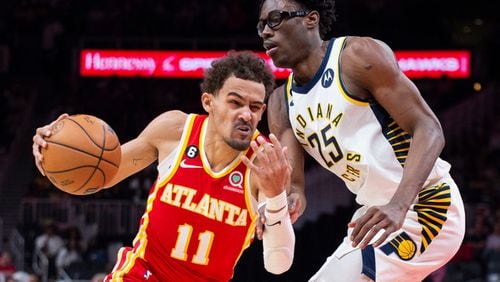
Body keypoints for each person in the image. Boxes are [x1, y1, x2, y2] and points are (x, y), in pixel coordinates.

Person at [32, 51, 295, 281]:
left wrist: (275, 197)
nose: (246, 114)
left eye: (255, 107)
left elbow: (278, 265)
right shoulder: (175, 131)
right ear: (208, 103)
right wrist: (53, 151)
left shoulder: (265, 164)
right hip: (143, 274)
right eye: (235, 102)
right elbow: (102, 176)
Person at [257, 0, 466, 281]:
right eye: (261, 26)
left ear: (311, 19)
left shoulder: (356, 55)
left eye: (274, 20)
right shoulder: (281, 103)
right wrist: (282, 205)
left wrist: (398, 204)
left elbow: (429, 129)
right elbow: (295, 187)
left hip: (426, 205)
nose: (265, 32)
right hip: (374, 215)